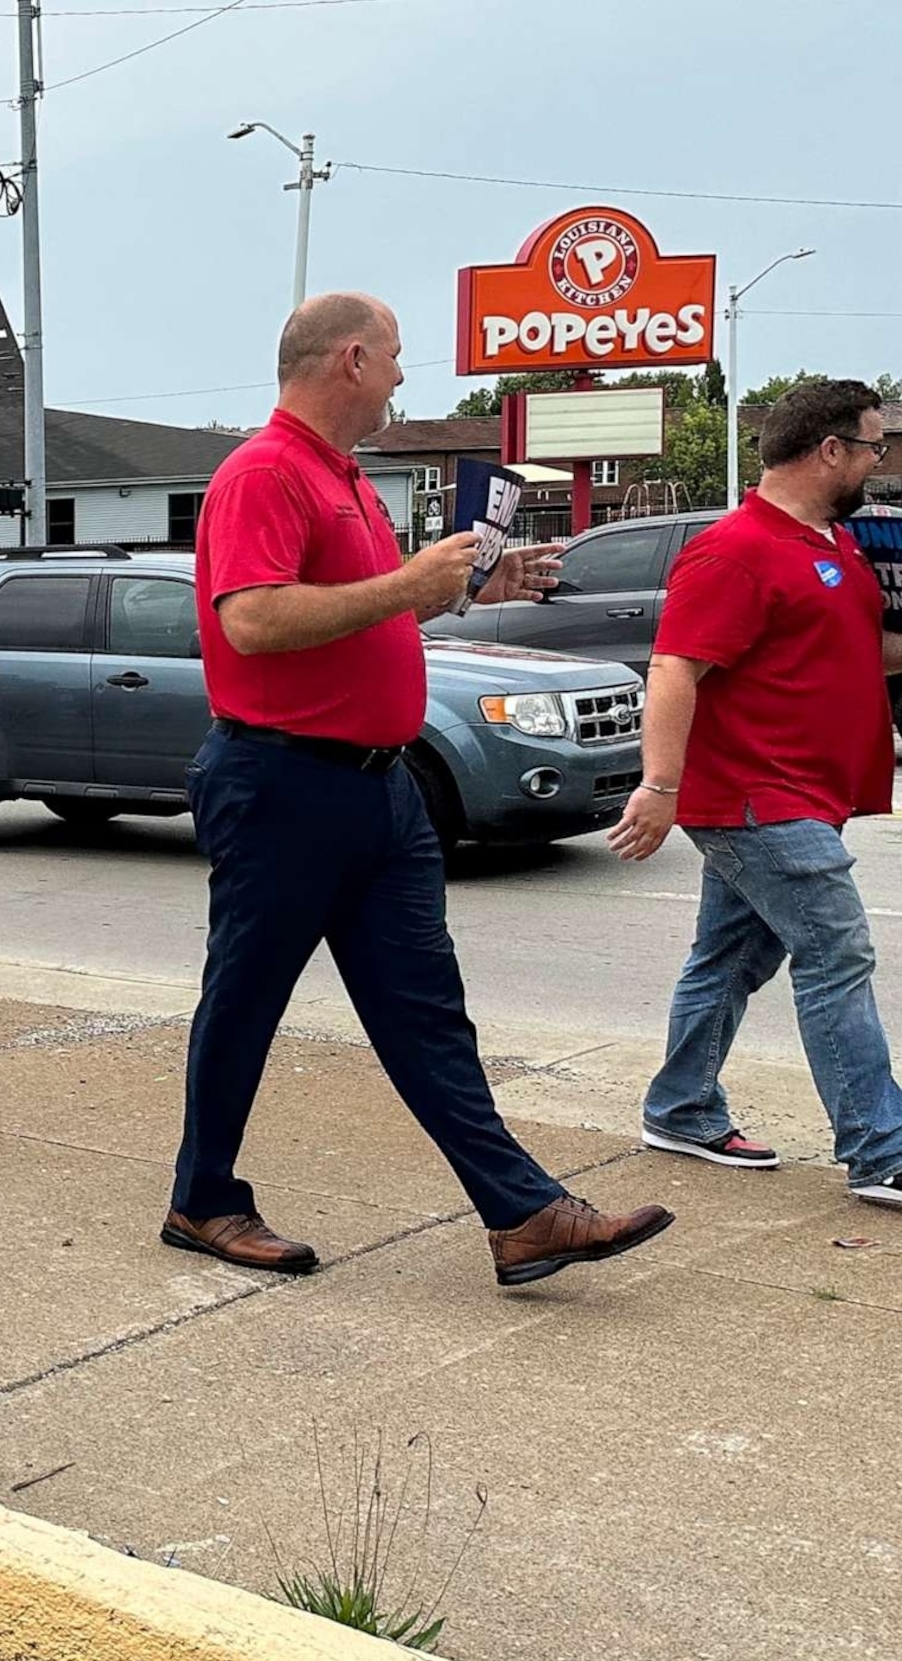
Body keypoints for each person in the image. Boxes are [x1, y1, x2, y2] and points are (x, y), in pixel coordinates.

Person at [167, 291, 672, 1289]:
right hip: (281, 781)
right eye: (396, 358)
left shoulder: (346, 479)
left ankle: (523, 1214)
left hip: (379, 789)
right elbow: (254, 623)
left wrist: (474, 586)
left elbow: (355, 614)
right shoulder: (263, 472)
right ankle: (205, 1198)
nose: (406, 376)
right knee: (246, 998)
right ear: (350, 359)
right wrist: (408, 584)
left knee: (425, 1010)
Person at [612, 380, 902, 1206]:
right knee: (837, 952)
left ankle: (680, 1107)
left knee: (732, 957)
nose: (878, 465)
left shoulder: (837, 544)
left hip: (807, 791)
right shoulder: (735, 548)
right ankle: (883, 1149)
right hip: (754, 795)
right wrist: (660, 786)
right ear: (831, 451)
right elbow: (674, 667)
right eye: (874, 447)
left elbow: (856, 653)